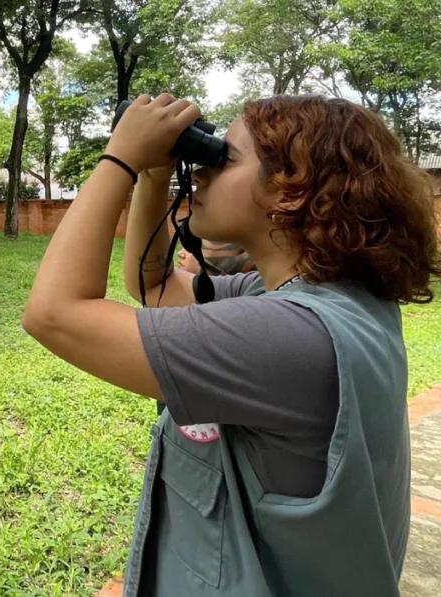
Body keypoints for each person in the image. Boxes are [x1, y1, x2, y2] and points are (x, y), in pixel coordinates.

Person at [22, 94, 440, 596]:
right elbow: (154, 286)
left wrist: (121, 159)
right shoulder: (327, 297)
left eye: (224, 159)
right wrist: (155, 176)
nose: (202, 172)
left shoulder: (288, 336)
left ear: (290, 190)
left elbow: (54, 314)